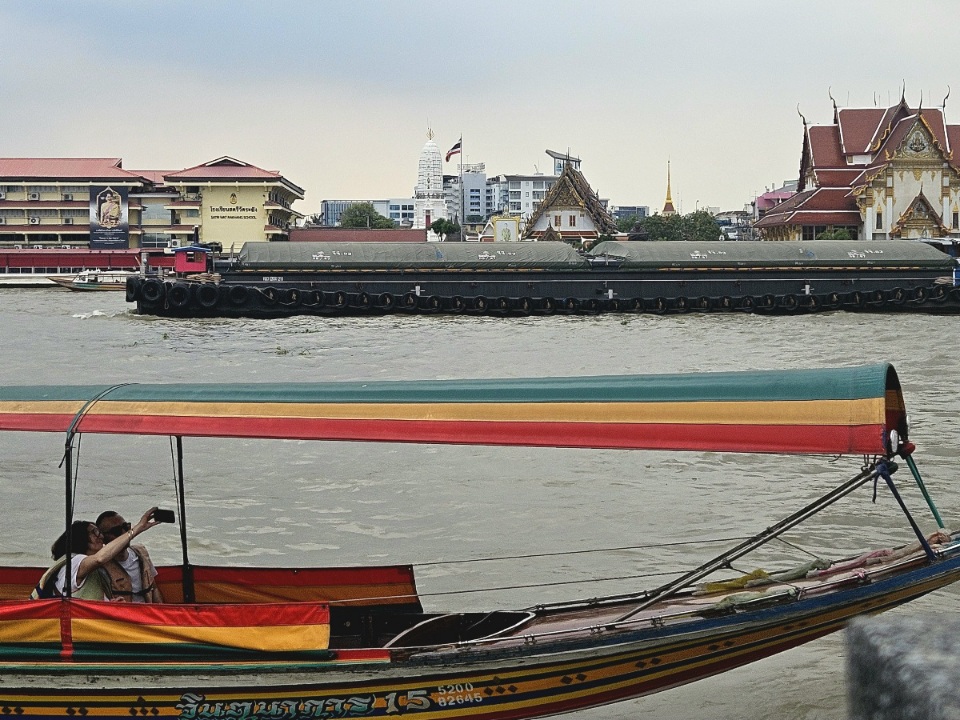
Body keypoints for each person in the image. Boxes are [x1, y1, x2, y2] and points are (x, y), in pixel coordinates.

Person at [32, 508, 161, 601]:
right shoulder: (75, 561)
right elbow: (100, 558)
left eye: (99, 532)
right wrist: (137, 529)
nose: (100, 536)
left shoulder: (93, 569)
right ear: (81, 539)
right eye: (94, 533)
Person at [96, 510, 163, 603]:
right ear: (103, 538)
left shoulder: (141, 552)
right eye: (116, 531)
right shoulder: (98, 565)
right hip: (121, 615)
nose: (124, 533)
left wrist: (159, 613)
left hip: (148, 614)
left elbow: (154, 588)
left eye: (126, 527)